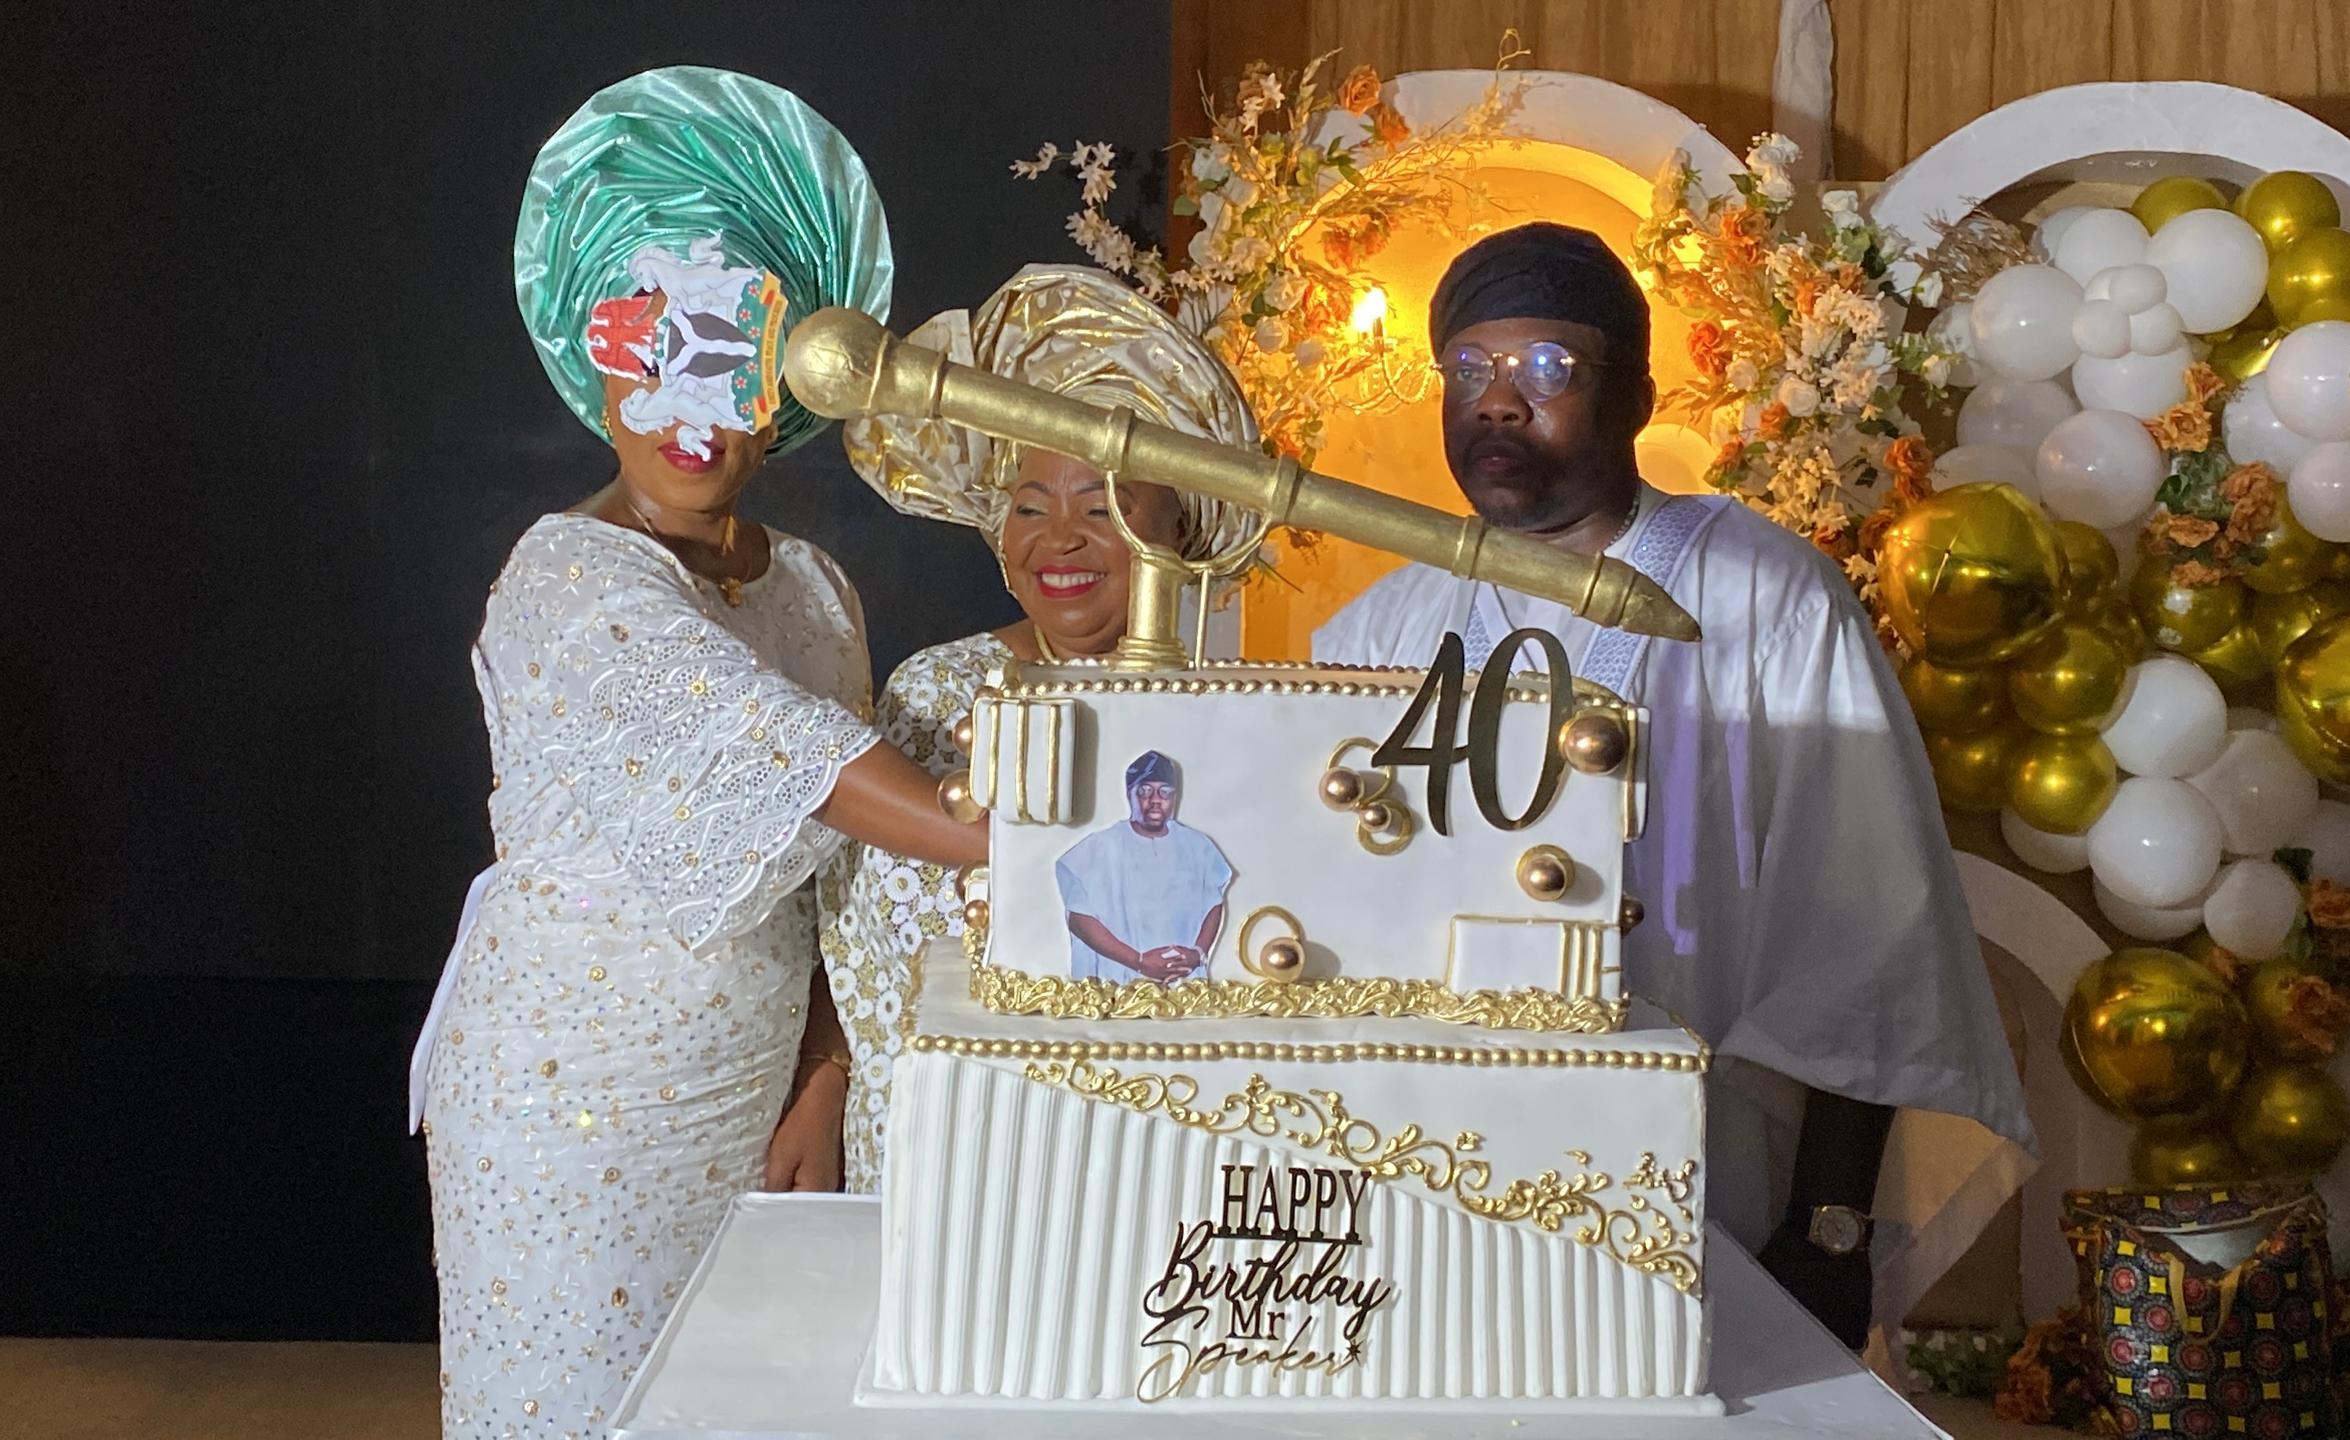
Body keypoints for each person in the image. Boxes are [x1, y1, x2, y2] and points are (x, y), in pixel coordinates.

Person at [1314, 222, 2033, 1349]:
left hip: (1700, 1183)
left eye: (1546, 366)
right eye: (1468, 369)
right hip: (1426, 1182)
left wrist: (1831, 1225)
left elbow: (1867, 925)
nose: (1497, 401)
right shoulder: (1376, 633)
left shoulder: (1766, 600)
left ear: (1635, 398)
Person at [413, 68, 986, 1439]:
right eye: (651, 351)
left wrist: (824, 1074)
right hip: (565, 1106)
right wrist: (1016, 836)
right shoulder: (565, 574)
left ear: (781, 388)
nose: (689, 407)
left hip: (752, 1086)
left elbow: (839, 878)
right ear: (596, 367)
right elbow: (783, 754)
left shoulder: (817, 585)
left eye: (728, 362)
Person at [819, 263, 1263, 1191]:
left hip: (1137, 1176)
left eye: (1102, 509)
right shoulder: (934, 692)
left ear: (1181, 529)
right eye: (1029, 508)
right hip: (923, 1160)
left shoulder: (1231, 726)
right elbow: (844, 927)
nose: (1059, 540)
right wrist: (823, 1084)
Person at [1054, 750, 1233, 984]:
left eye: (1165, 791)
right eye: (1145, 790)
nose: (1156, 799)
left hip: (1184, 988)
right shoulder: (1101, 847)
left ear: (1175, 797)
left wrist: (1197, 953)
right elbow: (1079, 918)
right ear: (1130, 794)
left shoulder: (1197, 846)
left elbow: (1214, 904)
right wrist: (1138, 961)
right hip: (1118, 986)